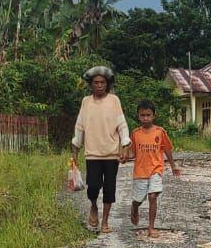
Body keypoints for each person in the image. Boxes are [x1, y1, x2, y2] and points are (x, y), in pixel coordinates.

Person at [72, 65, 130, 233]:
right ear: (91, 84)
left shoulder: (114, 100)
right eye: (96, 82)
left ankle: (105, 221)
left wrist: (125, 146)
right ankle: (93, 206)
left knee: (109, 189)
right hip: (92, 154)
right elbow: (79, 127)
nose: (99, 85)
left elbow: (122, 125)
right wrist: (75, 150)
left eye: (102, 82)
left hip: (111, 154)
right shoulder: (86, 102)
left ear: (107, 83)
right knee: (93, 187)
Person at [129, 101, 180, 238]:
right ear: (138, 116)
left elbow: (167, 149)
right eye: (142, 115)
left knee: (152, 196)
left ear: (154, 116)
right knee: (139, 200)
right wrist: (123, 158)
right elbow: (132, 153)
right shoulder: (135, 133)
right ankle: (134, 207)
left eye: (148, 115)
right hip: (140, 172)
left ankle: (151, 227)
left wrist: (173, 165)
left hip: (156, 169)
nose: (145, 118)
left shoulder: (160, 132)